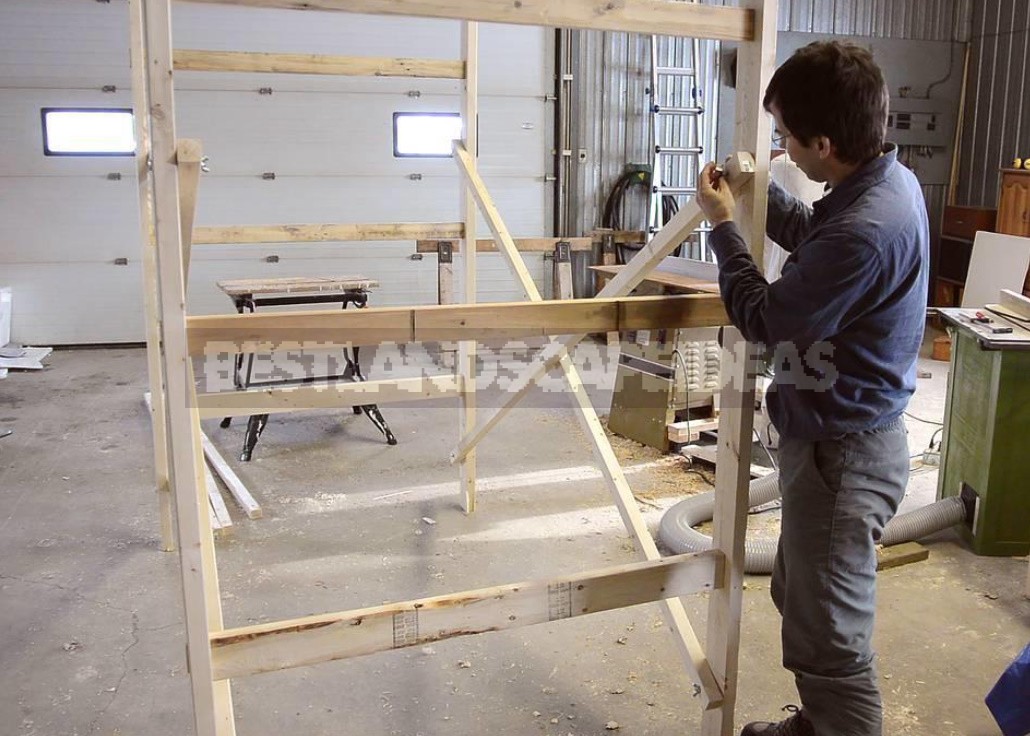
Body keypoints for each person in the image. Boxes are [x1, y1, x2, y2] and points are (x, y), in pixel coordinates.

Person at [696, 41, 929, 736]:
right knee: (799, 591)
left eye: (787, 139)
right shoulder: (883, 184)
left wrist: (722, 231)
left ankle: (843, 727)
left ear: (824, 143)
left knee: (828, 635)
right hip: (840, 438)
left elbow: (768, 319)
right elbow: (820, 244)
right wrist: (756, 196)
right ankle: (819, 724)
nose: (782, 149)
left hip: (844, 455)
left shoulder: (864, 229)